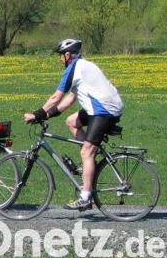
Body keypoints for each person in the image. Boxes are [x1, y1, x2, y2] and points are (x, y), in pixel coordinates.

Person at [24, 38, 123, 211]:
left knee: (86, 151)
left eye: (61, 56)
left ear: (68, 55)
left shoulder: (74, 68)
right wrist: (47, 115)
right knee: (71, 121)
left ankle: (85, 197)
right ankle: (89, 161)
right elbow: (69, 99)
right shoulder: (82, 67)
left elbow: (57, 97)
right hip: (101, 108)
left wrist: (37, 114)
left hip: (104, 111)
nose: (60, 59)